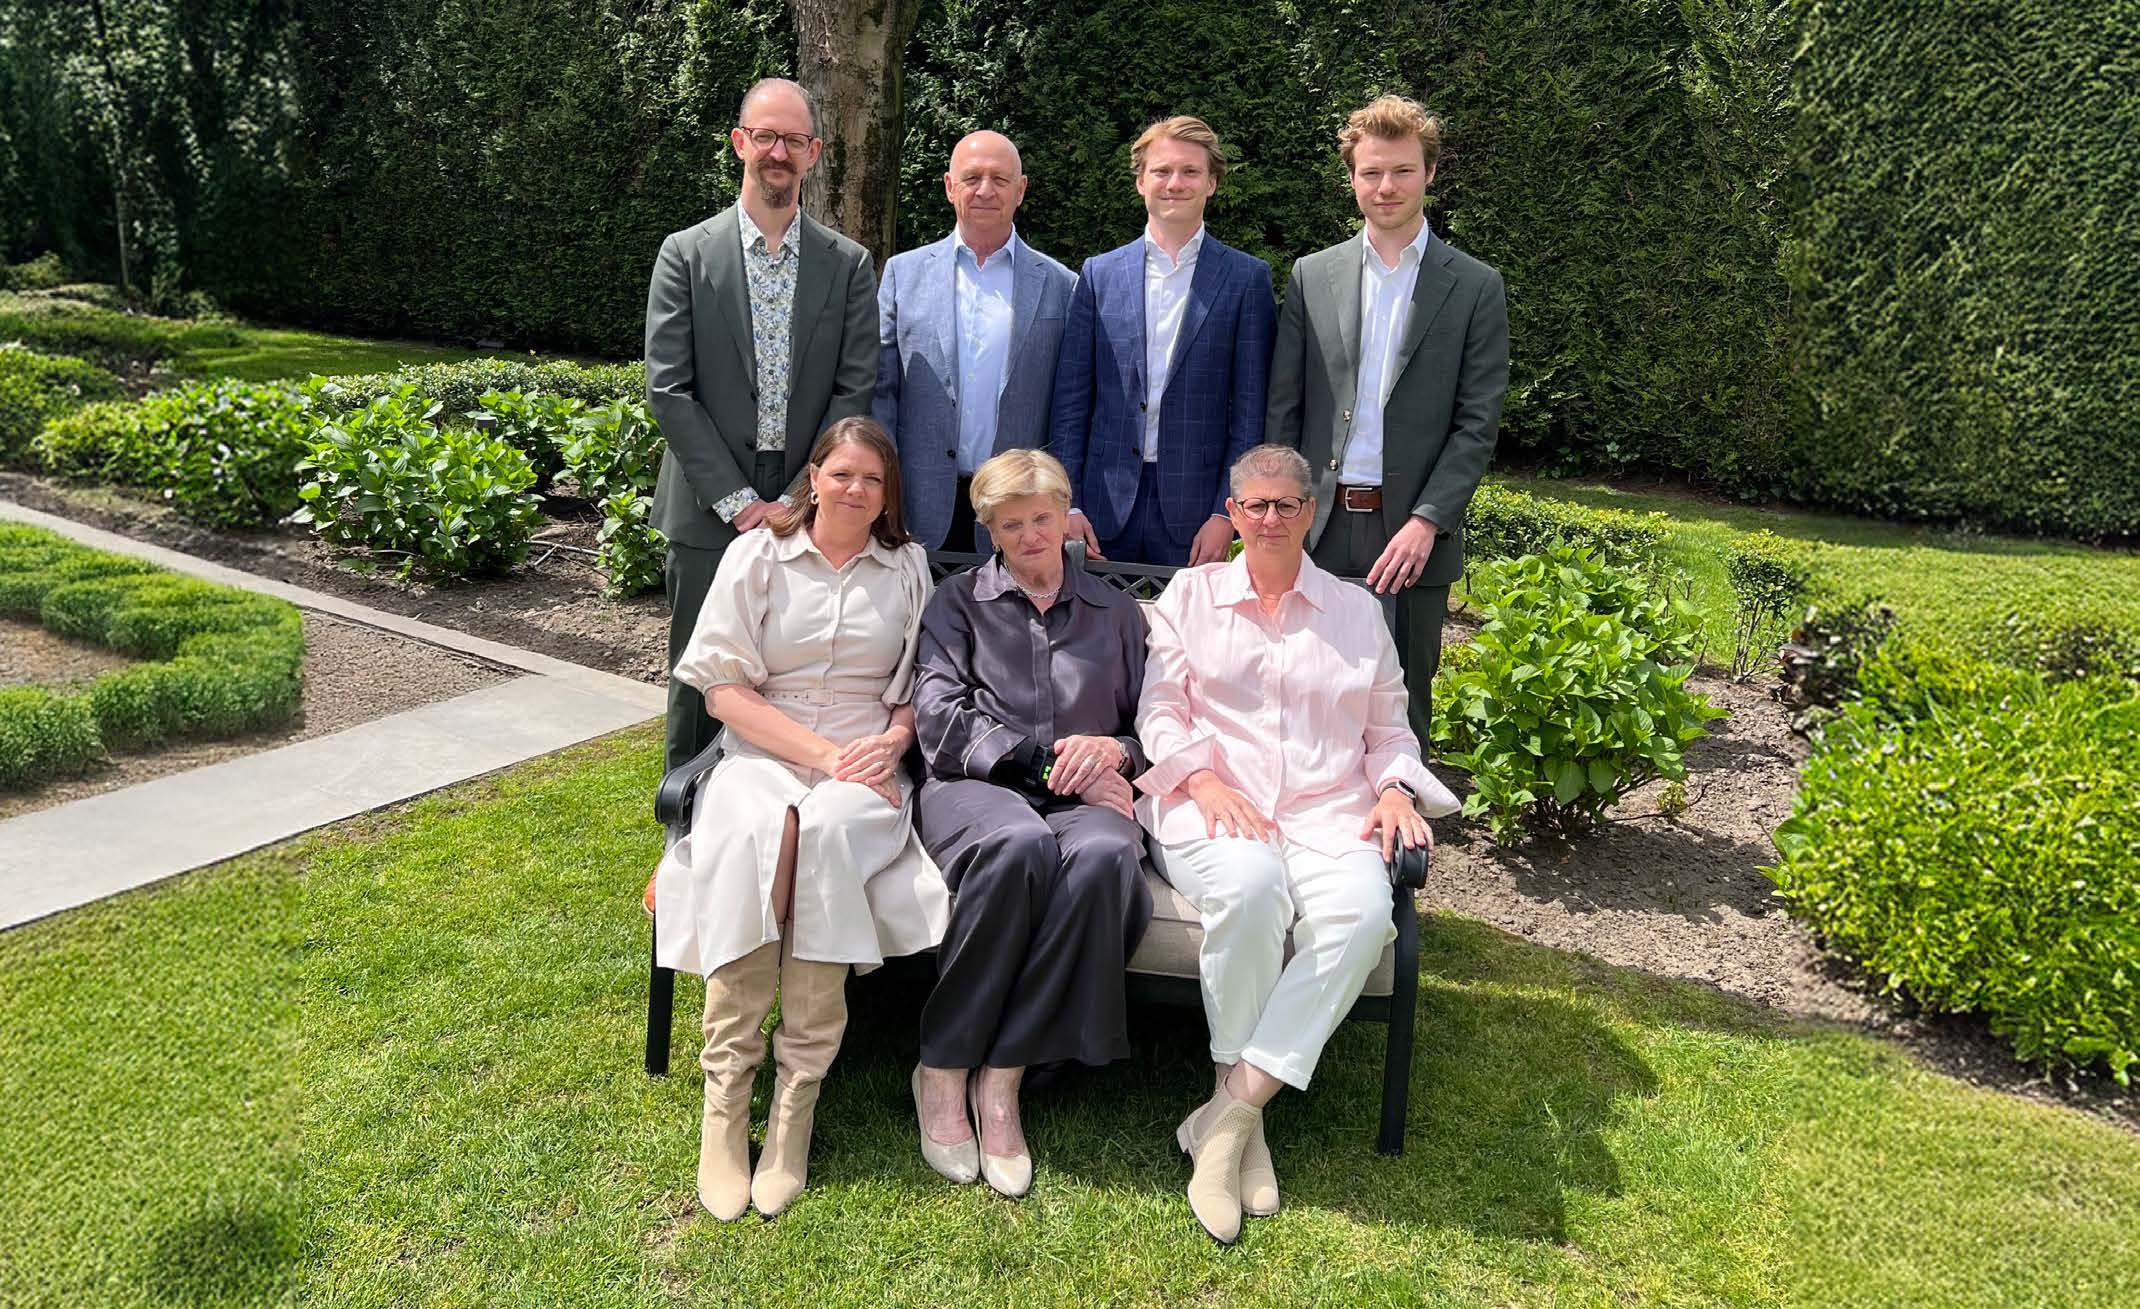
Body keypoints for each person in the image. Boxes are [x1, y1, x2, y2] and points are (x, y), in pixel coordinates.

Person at [1133, 444, 1460, 1244]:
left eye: (1287, 504)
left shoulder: (1355, 612)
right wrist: (1200, 780)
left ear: (1311, 512)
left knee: (1361, 917)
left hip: (1328, 812)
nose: (1271, 518)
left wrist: (1394, 789)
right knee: (1248, 888)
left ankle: (1230, 1116)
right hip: (1217, 804)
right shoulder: (1191, 596)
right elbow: (1160, 710)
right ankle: (1242, 1132)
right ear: (1234, 513)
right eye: (1256, 504)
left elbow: (1390, 729)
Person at [651, 417, 949, 1221]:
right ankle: (726, 1097)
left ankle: (796, 1101)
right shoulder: (758, 554)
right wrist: (820, 754)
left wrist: (892, 742)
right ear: (812, 478)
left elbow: (916, 691)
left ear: (888, 495)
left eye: (873, 479)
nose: (856, 489)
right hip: (764, 749)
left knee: (824, 832)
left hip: (865, 764)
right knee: (760, 828)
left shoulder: (907, 566)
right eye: (842, 473)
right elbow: (722, 690)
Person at [906, 449, 1153, 1198]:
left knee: (1106, 854)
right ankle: (942, 1065)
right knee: (1018, 843)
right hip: (975, 787)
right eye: (1011, 524)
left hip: (1086, 801)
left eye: (1042, 517)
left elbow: (1151, 726)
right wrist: (1046, 766)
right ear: (989, 531)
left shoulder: (1115, 612)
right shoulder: (957, 604)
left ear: (1066, 515)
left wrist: (1115, 753)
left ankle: (1005, 1074)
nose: (1030, 535)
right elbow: (939, 717)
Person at [644, 76, 880, 774]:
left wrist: (802, 496)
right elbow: (668, 388)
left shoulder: (848, 265)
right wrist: (740, 502)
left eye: (793, 140)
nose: (778, 152)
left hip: (811, 497)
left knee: (792, 667)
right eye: (765, 137)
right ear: (739, 142)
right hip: (707, 504)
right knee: (701, 671)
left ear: (814, 153)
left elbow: (853, 388)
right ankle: (685, 810)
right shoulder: (685, 254)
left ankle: (775, 799)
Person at [1264, 94, 1509, 734]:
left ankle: (1401, 801)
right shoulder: (1312, 275)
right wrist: (1281, 511)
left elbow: (1477, 422)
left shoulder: (1475, 286)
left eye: (1402, 170)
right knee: (1304, 696)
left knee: (1401, 706)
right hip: (1318, 524)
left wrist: (1428, 520)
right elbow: (1285, 408)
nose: (1386, 187)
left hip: (1410, 534)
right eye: (1371, 172)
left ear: (1430, 172)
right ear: (1352, 178)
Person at [1047, 115, 1277, 567]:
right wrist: (1067, 503)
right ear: (1141, 182)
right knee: (1094, 616)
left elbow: (1251, 412)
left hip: (1198, 513)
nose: (1175, 183)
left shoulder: (1246, 279)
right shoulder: (1098, 274)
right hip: (1100, 507)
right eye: (1162, 171)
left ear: (1211, 183)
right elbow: (1071, 402)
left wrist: (1227, 511)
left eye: (1190, 171)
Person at [874, 131, 1078, 553]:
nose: (985, 190)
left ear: (1021, 190)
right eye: (972, 178)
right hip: (916, 502)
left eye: (1000, 179)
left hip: (1019, 510)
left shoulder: (1062, 286)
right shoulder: (902, 275)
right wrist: (883, 484)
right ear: (950, 187)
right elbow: (881, 392)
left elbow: (1069, 409)